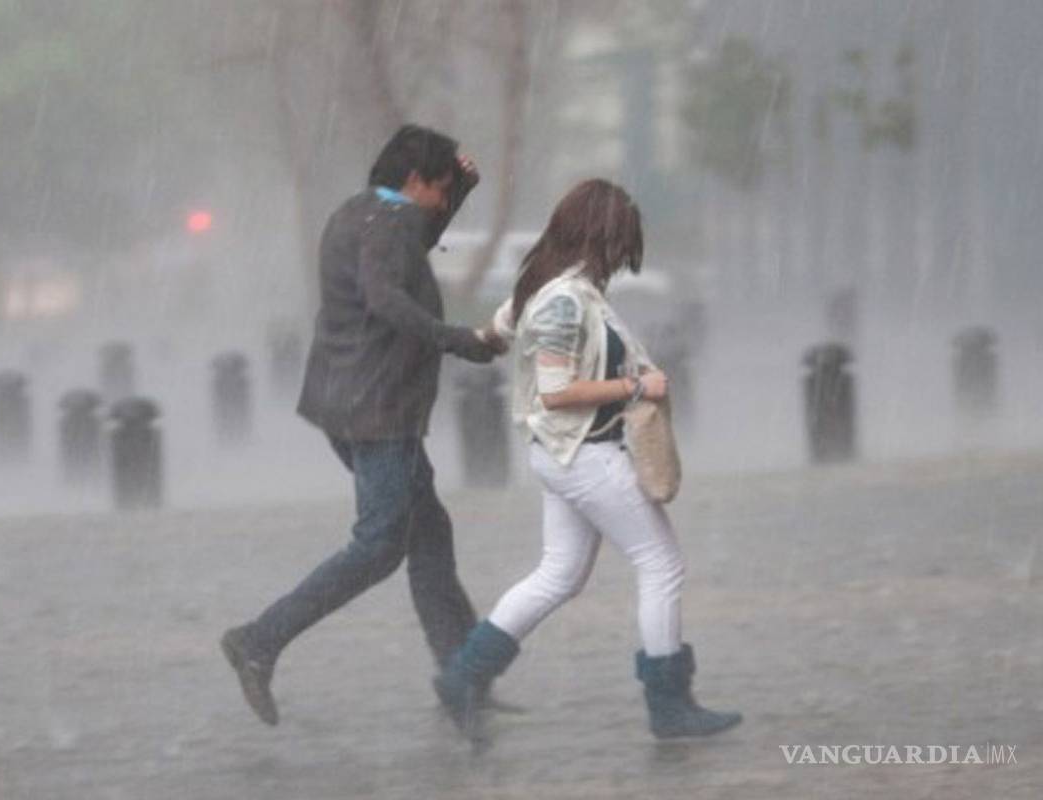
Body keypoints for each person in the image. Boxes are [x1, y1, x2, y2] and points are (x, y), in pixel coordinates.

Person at [433, 179, 742, 741]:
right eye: (622, 242)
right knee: (660, 563)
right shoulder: (563, 300)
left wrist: (469, 340)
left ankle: (464, 676)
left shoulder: (547, 287)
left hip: (562, 453)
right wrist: (636, 386)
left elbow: (498, 329)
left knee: (558, 574)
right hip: (583, 454)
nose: (625, 256)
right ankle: (669, 705)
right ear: (602, 236)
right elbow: (555, 391)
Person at [220, 124, 504, 726]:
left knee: (428, 533)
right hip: (379, 411)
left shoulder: (360, 214)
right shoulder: (390, 225)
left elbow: (410, 248)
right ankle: (259, 641)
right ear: (414, 180)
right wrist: (461, 341)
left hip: (344, 401)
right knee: (379, 545)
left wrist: (464, 192)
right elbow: (386, 295)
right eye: (442, 188)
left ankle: (464, 671)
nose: (441, 200)